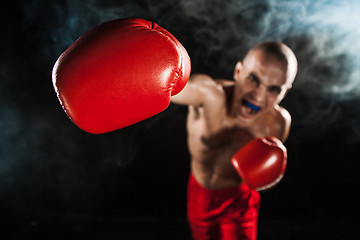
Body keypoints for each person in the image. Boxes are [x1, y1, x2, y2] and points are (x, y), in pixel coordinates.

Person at [171, 41, 298, 240]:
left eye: (273, 89)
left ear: (285, 92)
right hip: (199, 196)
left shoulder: (277, 124)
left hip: (239, 204)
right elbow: (167, 87)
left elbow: (264, 176)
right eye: (254, 79)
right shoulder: (207, 95)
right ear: (238, 71)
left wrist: (267, 179)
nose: (259, 96)